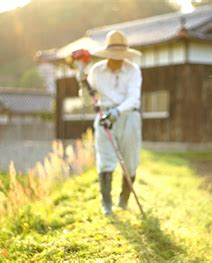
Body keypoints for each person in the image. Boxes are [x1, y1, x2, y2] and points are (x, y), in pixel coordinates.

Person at [86, 30, 142, 215]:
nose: (118, 60)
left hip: (128, 116)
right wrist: (81, 81)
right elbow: (88, 97)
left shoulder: (133, 70)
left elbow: (133, 98)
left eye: (121, 56)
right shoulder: (96, 70)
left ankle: (123, 200)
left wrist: (117, 112)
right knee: (105, 160)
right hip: (104, 118)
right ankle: (106, 203)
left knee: (130, 161)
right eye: (114, 56)